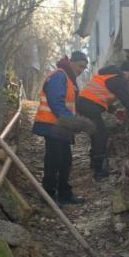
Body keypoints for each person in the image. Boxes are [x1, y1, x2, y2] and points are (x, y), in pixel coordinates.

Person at [32, 51, 95, 205]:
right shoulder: (60, 76)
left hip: (60, 127)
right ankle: (48, 196)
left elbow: (67, 105)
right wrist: (74, 121)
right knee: (54, 162)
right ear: (72, 62)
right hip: (52, 126)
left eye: (84, 68)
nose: (81, 70)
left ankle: (64, 194)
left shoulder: (68, 79)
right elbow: (56, 103)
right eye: (80, 66)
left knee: (65, 161)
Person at [76, 61, 129, 180]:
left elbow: (98, 96)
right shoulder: (118, 79)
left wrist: (114, 111)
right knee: (100, 136)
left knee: (96, 134)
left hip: (84, 104)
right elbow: (128, 102)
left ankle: (94, 164)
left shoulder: (108, 76)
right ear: (126, 72)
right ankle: (100, 172)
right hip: (89, 107)